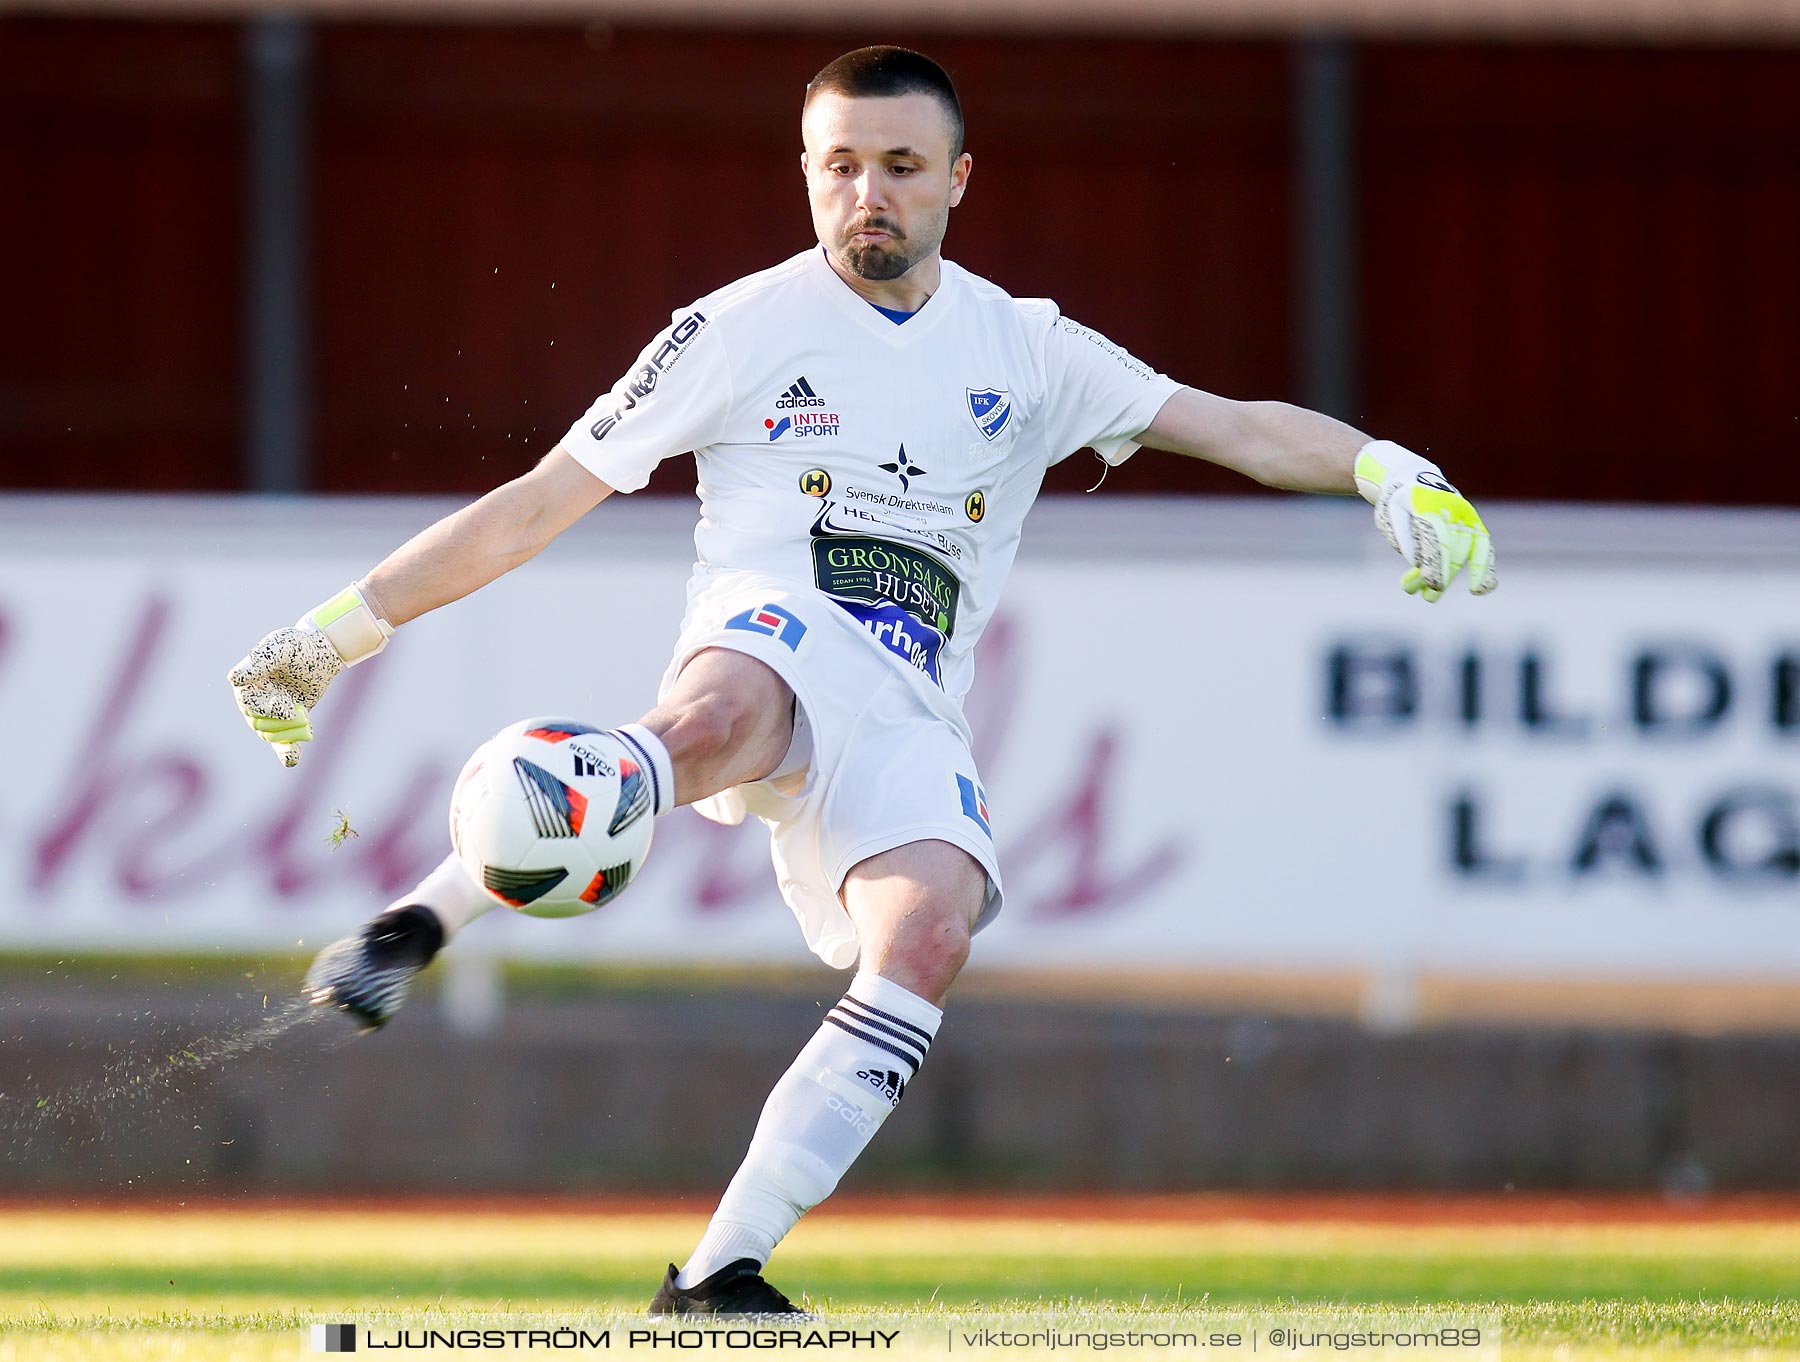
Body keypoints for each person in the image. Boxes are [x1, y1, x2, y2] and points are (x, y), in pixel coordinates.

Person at [228, 46, 1496, 1317]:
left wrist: (1389, 470)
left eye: (898, 167)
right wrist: (332, 635)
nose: (867, 196)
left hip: (906, 707)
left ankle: (717, 1272)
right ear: (807, 175)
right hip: (766, 632)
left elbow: (1234, 425)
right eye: (841, 167)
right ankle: (433, 912)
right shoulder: (736, 329)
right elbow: (535, 505)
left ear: (956, 179)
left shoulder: (1030, 348)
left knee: (929, 935)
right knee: (724, 712)